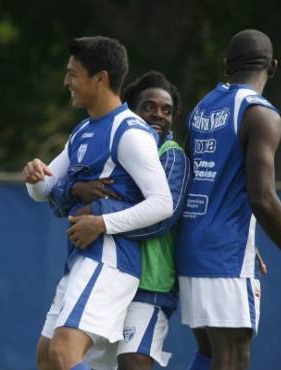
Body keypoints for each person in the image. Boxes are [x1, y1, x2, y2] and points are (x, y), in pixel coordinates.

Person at [22, 37, 173, 370]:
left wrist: (102, 222)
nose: (67, 82)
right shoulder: (82, 131)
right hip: (83, 258)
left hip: (110, 261)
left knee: (63, 352)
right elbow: (46, 188)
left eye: (73, 74)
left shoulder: (130, 131)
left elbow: (162, 203)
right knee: (47, 358)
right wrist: (35, 176)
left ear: (100, 78)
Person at [176, 29, 281, 370]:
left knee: (209, 353)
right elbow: (261, 196)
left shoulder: (203, 107)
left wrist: (250, 241)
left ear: (226, 66)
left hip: (193, 246)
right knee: (233, 355)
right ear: (273, 67)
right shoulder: (261, 113)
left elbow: (199, 182)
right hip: (224, 254)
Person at [49, 70, 190, 370]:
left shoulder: (171, 155)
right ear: (131, 110)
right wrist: (75, 189)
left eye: (167, 110)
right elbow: (61, 197)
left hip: (149, 284)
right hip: (112, 276)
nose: (158, 114)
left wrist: (100, 215)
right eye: (149, 106)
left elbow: (162, 217)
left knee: (133, 363)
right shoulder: (119, 141)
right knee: (73, 358)